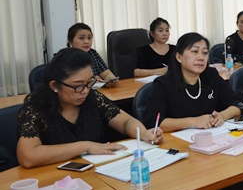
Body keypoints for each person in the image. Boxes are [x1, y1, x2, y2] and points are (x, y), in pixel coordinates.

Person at [16, 48, 162, 168]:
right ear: (55, 85)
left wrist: (143, 133)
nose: (85, 91)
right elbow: (28, 156)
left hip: (96, 172)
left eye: (90, 82)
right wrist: (85, 146)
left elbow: (126, 122)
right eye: (78, 85)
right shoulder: (35, 110)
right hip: (56, 181)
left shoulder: (93, 98)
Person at [142, 33, 242, 132]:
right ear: (179, 57)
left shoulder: (211, 76)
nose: (201, 57)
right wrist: (193, 122)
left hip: (213, 136)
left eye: (205, 53)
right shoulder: (164, 84)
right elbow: (152, 121)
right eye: (194, 51)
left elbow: (237, 103)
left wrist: (222, 116)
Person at [67, 23, 118, 87]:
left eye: (89, 38)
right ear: (70, 41)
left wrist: (110, 80)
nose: (87, 41)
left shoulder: (92, 53)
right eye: (81, 38)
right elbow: (71, 83)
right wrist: (91, 82)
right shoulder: (66, 58)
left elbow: (107, 74)